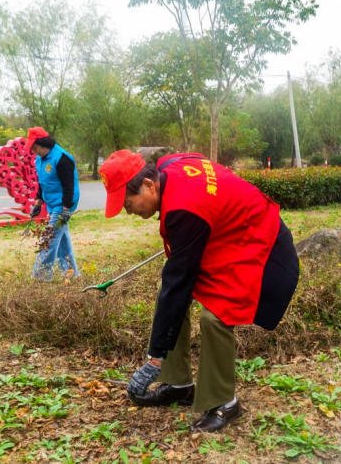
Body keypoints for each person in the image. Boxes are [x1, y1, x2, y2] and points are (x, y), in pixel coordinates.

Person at [98, 150, 300, 433]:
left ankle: (225, 403)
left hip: (259, 240)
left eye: (128, 204)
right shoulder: (171, 165)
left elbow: (179, 280)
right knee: (169, 298)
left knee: (215, 316)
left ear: (148, 185)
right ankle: (179, 384)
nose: (129, 211)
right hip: (227, 235)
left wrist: (153, 358)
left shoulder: (183, 209)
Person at [24, 127, 80, 281]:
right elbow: (43, 183)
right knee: (61, 240)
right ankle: (71, 274)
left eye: (35, 148)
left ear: (43, 143)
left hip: (64, 202)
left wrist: (66, 209)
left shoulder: (62, 158)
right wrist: (37, 203)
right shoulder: (39, 159)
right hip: (52, 202)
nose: (34, 152)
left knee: (49, 239)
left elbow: (69, 186)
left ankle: (40, 277)